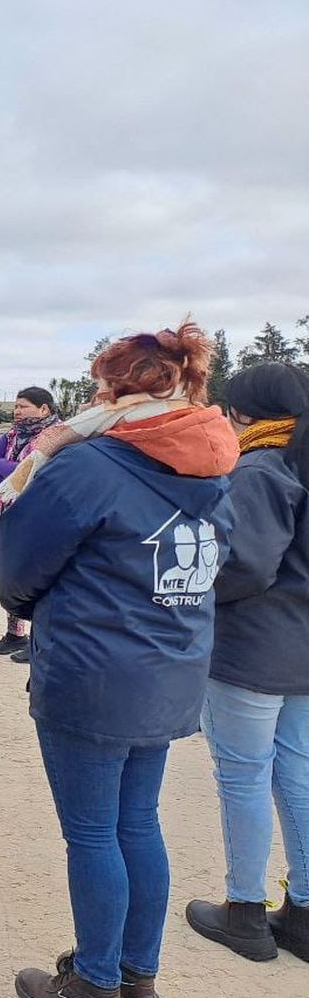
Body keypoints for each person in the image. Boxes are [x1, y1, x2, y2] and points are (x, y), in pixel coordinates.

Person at [0, 322, 238, 998]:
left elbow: (20, 565)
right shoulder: (216, 460)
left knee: (93, 829)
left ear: (114, 384)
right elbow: (230, 556)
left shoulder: (86, 463)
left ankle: (95, 980)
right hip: (169, 667)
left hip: (92, 671)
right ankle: (138, 971)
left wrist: (27, 605)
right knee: (139, 818)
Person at [186, 362, 309, 963]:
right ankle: (305, 914)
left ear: (243, 411)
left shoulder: (261, 467)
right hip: (303, 649)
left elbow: (250, 566)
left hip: (255, 647)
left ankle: (244, 912)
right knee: (297, 778)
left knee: (244, 777)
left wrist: (200, 591)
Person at [0, 387, 61, 661]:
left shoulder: (57, 437)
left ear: (44, 409)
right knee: (12, 574)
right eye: (15, 406)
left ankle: (38, 640)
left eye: (24, 406)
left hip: (41, 518)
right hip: (7, 517)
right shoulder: (11, 436)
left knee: (40, 578)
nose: (17, 411)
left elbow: (44, 477)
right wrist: (16, 471)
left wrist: (10, 469)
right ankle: (15, 633)